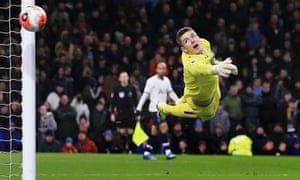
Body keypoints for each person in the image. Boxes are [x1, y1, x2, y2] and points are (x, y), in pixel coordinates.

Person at [156, 26, 238, 121]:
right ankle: (164, 108)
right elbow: (198, 68)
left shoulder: (204, 43)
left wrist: (220, 63)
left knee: (193, 90)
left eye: (193, 36)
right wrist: (215, 68)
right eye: (186, 41)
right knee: (208, 115)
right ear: (184, 49)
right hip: (202, 104)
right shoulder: (190, 62)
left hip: (212, 89)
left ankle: (182, 100)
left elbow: (210, 60)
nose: (192, 40)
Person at [135, 62, 178, 160]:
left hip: (163, 109)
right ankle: (168, 151)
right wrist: (138, 108)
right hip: (154, 108)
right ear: (156, 69)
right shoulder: (151, 81)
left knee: (154, 131)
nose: (162, 70)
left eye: (164, 68)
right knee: (164, 127)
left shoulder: (167, 80)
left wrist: (178, 102)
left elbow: (171, 92)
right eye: (160, 68)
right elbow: (145, 95)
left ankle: (147, 152)